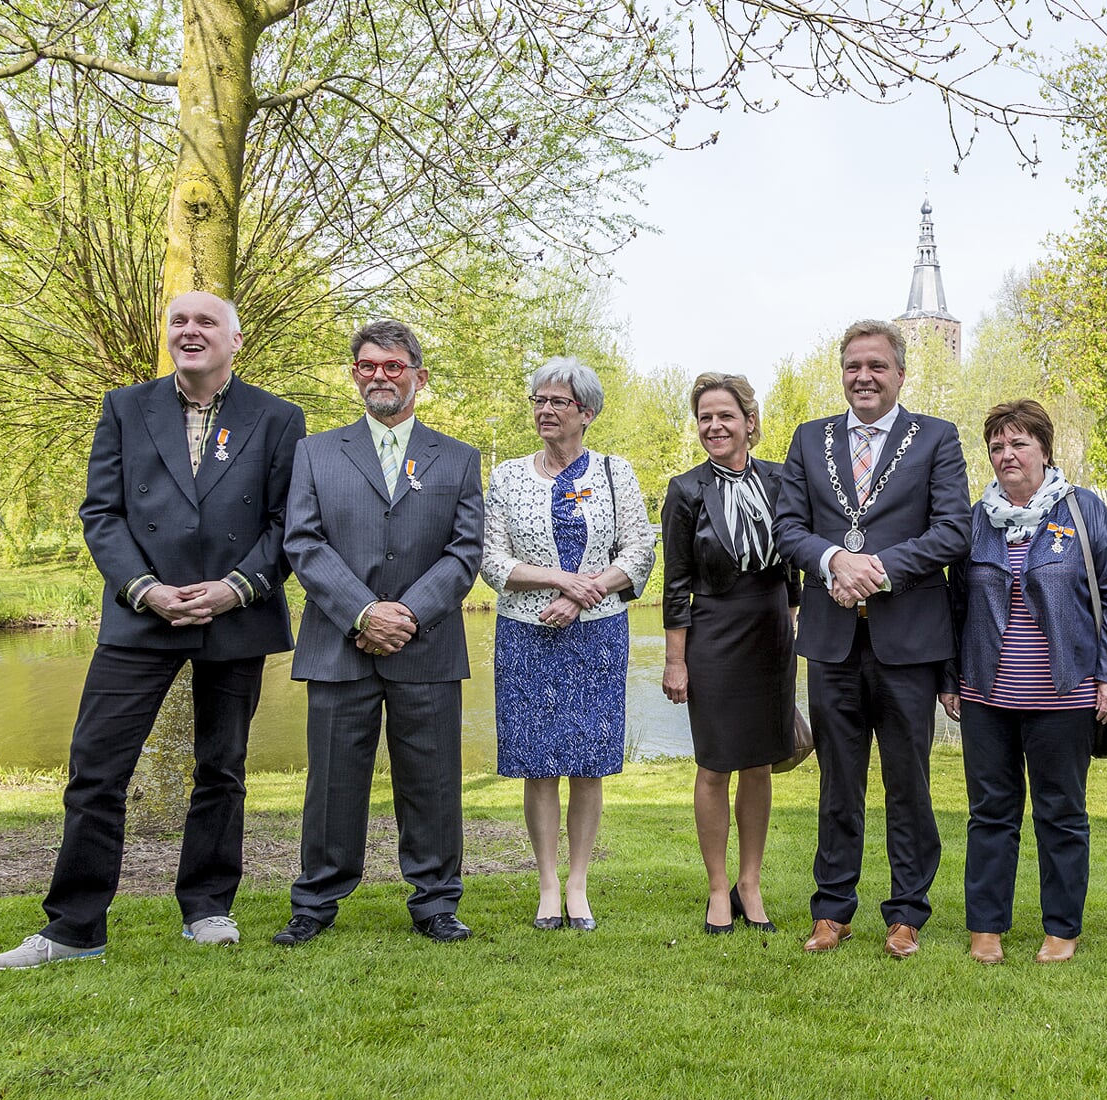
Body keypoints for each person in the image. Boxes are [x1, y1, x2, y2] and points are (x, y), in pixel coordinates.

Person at [0, 293, 305, 970]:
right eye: (179, 322)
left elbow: (287, 523)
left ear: (234, 340)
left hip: (235, 614)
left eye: (205, 322)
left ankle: (209, 908)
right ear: (169, 336)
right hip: (140, 615)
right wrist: (147, 590)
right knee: (95, 771)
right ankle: (74, 931)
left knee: (222, 770)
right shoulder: (124, 408)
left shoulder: (279, 418)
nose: (190, 331)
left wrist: (233, 588)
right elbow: (101, 513)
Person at [274, 320, 484, 947]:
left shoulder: (459, 457)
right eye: (367, 366)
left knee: (433, 781)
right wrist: (365, 613)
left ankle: (436, 901)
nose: (379, 376)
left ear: (419, 376)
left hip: (428, 646)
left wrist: (407, 615)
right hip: (340, 643)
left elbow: (465, 550)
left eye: (393, 366)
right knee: (334, 780)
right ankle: (316, 900)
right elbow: (303, 542)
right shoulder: (316, 453)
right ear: (354, 375)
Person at [774, 319, 971, 959]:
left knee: (908, 782)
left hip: (909, 641)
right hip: (832, 642)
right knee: (838, 780)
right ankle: (832, 909)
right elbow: (788, 528)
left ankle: (907, 911)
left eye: (877, 366)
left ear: (900, 374)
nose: (864, 377)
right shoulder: (810, 440)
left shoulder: (936, 438)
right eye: (854, 366)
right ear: (843, 373)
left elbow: (953, 531)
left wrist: (877, 570)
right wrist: (835, 560)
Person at [940, 399, 1107, 965]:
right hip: (985, 694)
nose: (1007, 455)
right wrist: (951, 678)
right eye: (997, 446)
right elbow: (953, 604)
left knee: (1061, 813)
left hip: (1065, 693)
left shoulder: (1082, 510)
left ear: (1045, 450)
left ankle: (1062, 928)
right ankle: (987, 926)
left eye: (1019, 443)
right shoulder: (976, 519)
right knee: (990, 811)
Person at [482, 358, 655, 932]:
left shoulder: (614, 473)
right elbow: (493, 561)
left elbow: (638, 554)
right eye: (539, 400)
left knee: (588, 762)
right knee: (538, 762)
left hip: (597, 632)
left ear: (587, 412)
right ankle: (548, 886)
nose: (546, 410)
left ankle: (579, 885)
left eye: (558, 402)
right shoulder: (507, 476)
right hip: (526, 632)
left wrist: (583, 596)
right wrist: (558, 581)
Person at [661, 373, 800, 935]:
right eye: (705, 418)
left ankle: (751, 883)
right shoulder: (686, 490)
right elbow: (676, 582)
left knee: (760, 762)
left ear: (748, 422)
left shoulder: (782, 480)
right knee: (715, 763)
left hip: (771, 632)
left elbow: (795, 563)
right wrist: (676, 659)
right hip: (713, 632)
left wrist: (792, 620)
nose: (714, 426)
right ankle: (719, 889)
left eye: (725, 416)